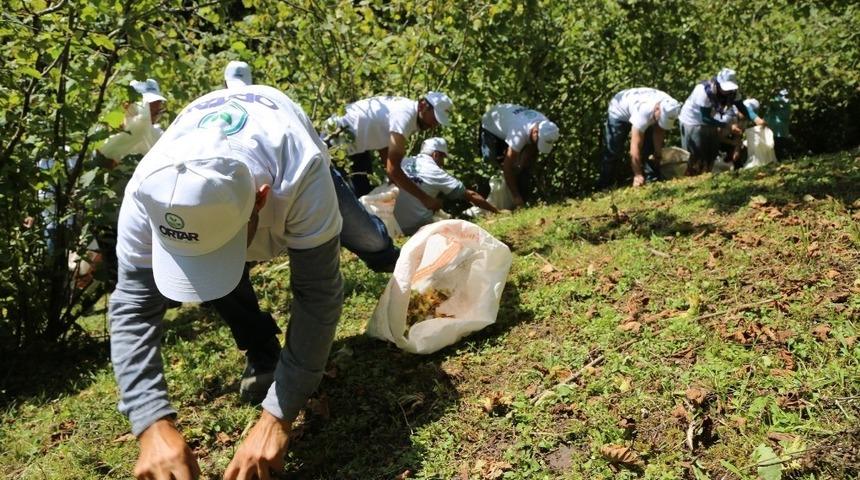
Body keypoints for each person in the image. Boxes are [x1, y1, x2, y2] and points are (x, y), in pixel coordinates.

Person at [109, 84, 344, 480]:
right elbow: (132, 306)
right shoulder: (145, 192)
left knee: (364, 236)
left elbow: (318, 293)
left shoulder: (299, 170)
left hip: (286, 136)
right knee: (220, 283)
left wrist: (278, 417)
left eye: (220, 247)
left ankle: (385, 255)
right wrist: (151, 423)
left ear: (261, 199)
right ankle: (263, 349)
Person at [223, 61, 399, 272]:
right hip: (277, 180)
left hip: (303, 173)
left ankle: (389, 259)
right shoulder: (267, 100)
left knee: (368, 238)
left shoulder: (272, 102)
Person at [93, 78, 168, 289]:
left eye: (158, 106)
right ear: (130, 105)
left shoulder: (155, 134)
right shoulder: (109, 132)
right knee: (119, 270)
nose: (155, 111)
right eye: (150, 106)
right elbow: (101, 161)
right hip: (111, 218)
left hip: (144, 217)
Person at [323, 92, 454, 208]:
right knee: (343, 200)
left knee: (364, 195)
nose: (434, 125)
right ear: (423, 105)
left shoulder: (407, 112)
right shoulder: (404, 116)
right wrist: (426, 200)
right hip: (335, 141)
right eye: (435, 118)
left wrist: (395, 179)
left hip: (355, 145)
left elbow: (384, 143)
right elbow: (393, 170)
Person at [394, 137, 499, 234]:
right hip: (417, 226)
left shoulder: (403, 162)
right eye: (443, 157)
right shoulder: (435, 171)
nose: (443, 163)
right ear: (435, 154)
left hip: (395, 225)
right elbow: (471, 195)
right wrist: (496, 212)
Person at [678, 68, 766, 175]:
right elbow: (705, 118)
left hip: (711, 120)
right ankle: (691, 177)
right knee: (696, 154)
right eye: (725, 88)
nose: (727, 91)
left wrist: (756, 119)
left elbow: (742, 107)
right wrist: (728, 126)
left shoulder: (733, 92)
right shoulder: (703, 91)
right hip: (692, 121)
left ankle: (706, 175)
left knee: (711, 151)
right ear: (718, 83)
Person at [597, 88, 681, 189]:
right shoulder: (643, 111)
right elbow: (635, 145)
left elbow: (659, 130)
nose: (661, 121)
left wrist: (658, 154)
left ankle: (652, 180)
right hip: (619, 110)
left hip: (638, 108)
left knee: (650, 148)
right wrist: (637, 174)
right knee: (614, 150)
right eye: (661, 118)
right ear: (657, 109)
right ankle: (605, 185)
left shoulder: (670, 105)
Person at [479, 104, 559, 208]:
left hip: (509, 122)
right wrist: (516, 197)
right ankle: (489, 204)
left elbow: (532, 146)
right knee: (493, 164)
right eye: (539, 141)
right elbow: (507, 167)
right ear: (535, 132)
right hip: (491, 123)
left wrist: (521, 164)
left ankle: (521, 197)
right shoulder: (518, 134)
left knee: (522, 166)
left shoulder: (546, 126)